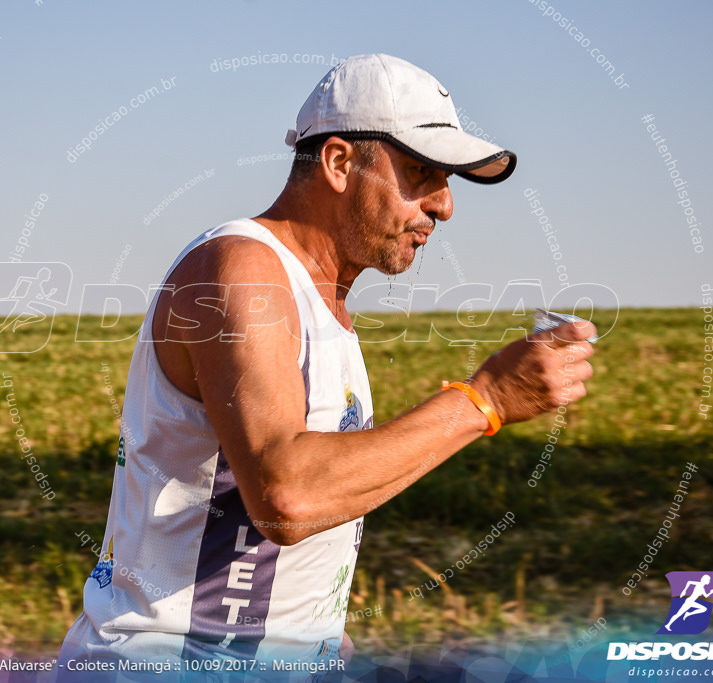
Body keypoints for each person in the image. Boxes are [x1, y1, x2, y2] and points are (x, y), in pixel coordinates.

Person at [57, 53, 596, 678]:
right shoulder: (243, 269)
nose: (445, 206)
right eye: (422, 173)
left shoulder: (321, 300)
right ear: (340, 162)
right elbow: (286, 495)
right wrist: (484, 401)